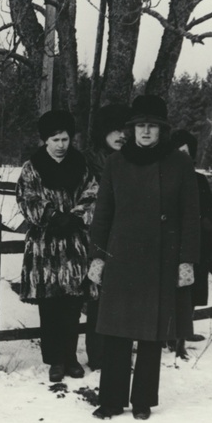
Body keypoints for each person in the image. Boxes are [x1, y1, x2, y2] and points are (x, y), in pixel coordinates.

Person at [87, 95, 199, 419]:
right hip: (121, 257)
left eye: (152, 126)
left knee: (151, 335)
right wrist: (98, 256)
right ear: (131, 129)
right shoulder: (116, 163)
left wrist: (187, 260)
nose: (145, 132)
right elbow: (103, 214)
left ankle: (142, 402)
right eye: (140, 126)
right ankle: (110, 399)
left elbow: (191, 215)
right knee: (117, 331)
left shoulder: (179, 163)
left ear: (161, 130)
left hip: (162, 258)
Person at [16, 110, 98, 383]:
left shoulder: (81, 165)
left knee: (73, 303)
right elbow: (27, 199)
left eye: (65, 138)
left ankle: (72, 357)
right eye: (55, 139)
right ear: (45, 141)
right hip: (45, 247)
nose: (62, 144)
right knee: (50, 305)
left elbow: (92, 195)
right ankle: (55, 360)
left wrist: (74, 217)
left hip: (74, 245)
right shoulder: (32, 167)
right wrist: (52, 216)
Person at [83, 103, 131, 370]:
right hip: (96, 239)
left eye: (124, 129)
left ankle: (120, 355)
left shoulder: (132, 159)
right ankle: (98, 356)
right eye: (114, 129)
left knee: (124, 297)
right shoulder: (89, 162)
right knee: (97, 297)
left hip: (127, 240)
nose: (120, 135)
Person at [169, 128, 212, 359]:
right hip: (172, 245)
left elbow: (211, 208)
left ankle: (184, 334)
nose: (181, 156)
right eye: (177, 151)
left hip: (197, 246)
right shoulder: (164, 178)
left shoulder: (199, 179)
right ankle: (168, 335)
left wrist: (206, 222)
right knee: (171, 291)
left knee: (191, 291)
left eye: (185, 152)